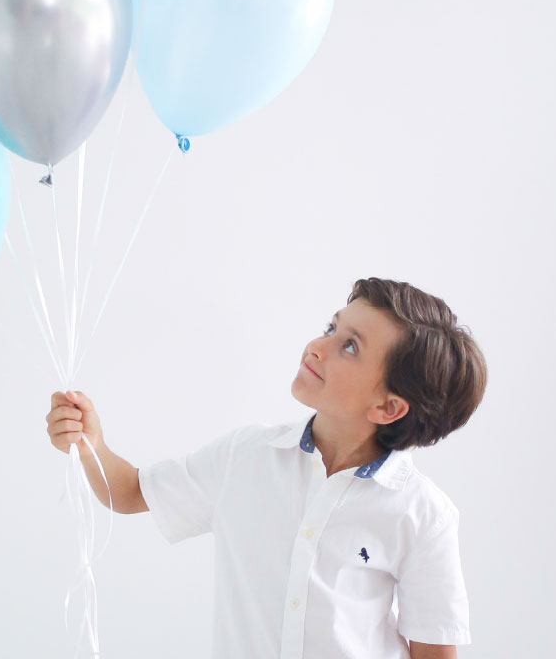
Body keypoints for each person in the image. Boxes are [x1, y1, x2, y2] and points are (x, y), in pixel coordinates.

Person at [45, 277, 487, 659]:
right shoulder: (245, 456)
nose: (317, 347)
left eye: (349, 346)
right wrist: (91, 444)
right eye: (331, 328)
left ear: (388, 408)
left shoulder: (422, 514)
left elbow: (433, 652)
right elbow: (129, 492)